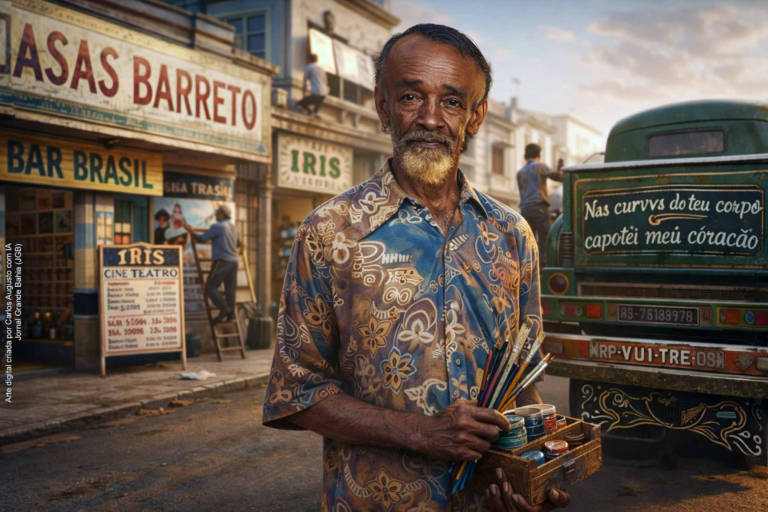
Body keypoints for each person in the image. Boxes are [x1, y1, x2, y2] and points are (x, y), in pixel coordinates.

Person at [263, 24, 571, 512]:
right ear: (384, 106)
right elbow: (297, 390)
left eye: (451, 101)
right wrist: (421, 432)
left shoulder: (513, 235)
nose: (430, 118)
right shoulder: (329, 233)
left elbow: (524, 376)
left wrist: (532, 467)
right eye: (410, 96)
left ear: (476, 116)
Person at [183, 205, 241, 324]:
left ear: (222, 215)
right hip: (234, 262)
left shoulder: (218, 227)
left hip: (222, 261)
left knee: (210, 287)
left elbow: (201, 239)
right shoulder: (234, 227)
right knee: (230, 290)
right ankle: (231, 316)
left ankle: (224, 308)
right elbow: (238, 243)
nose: (215, 215)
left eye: (217, 213)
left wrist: (190, 230)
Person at [516, 144, 563, 267]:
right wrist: (561, 170)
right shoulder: (540, 166)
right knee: (547, 237)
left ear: (525, 156)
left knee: (528, 240)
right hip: (539, 208)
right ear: (539, 156)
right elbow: (558, 177)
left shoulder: (520, 172)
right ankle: (543, 265)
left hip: (525, 210)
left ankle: (528, 266)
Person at [297, 53, 328, 118]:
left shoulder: (309, 67)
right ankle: (313, 113)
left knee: (300, 103)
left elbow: (305, 79)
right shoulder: (322, 68)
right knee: (316, 106)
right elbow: (326, 80)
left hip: (316, 92)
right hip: (324, 92)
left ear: (309, 59)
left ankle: (311, 113)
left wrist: (303, 89)